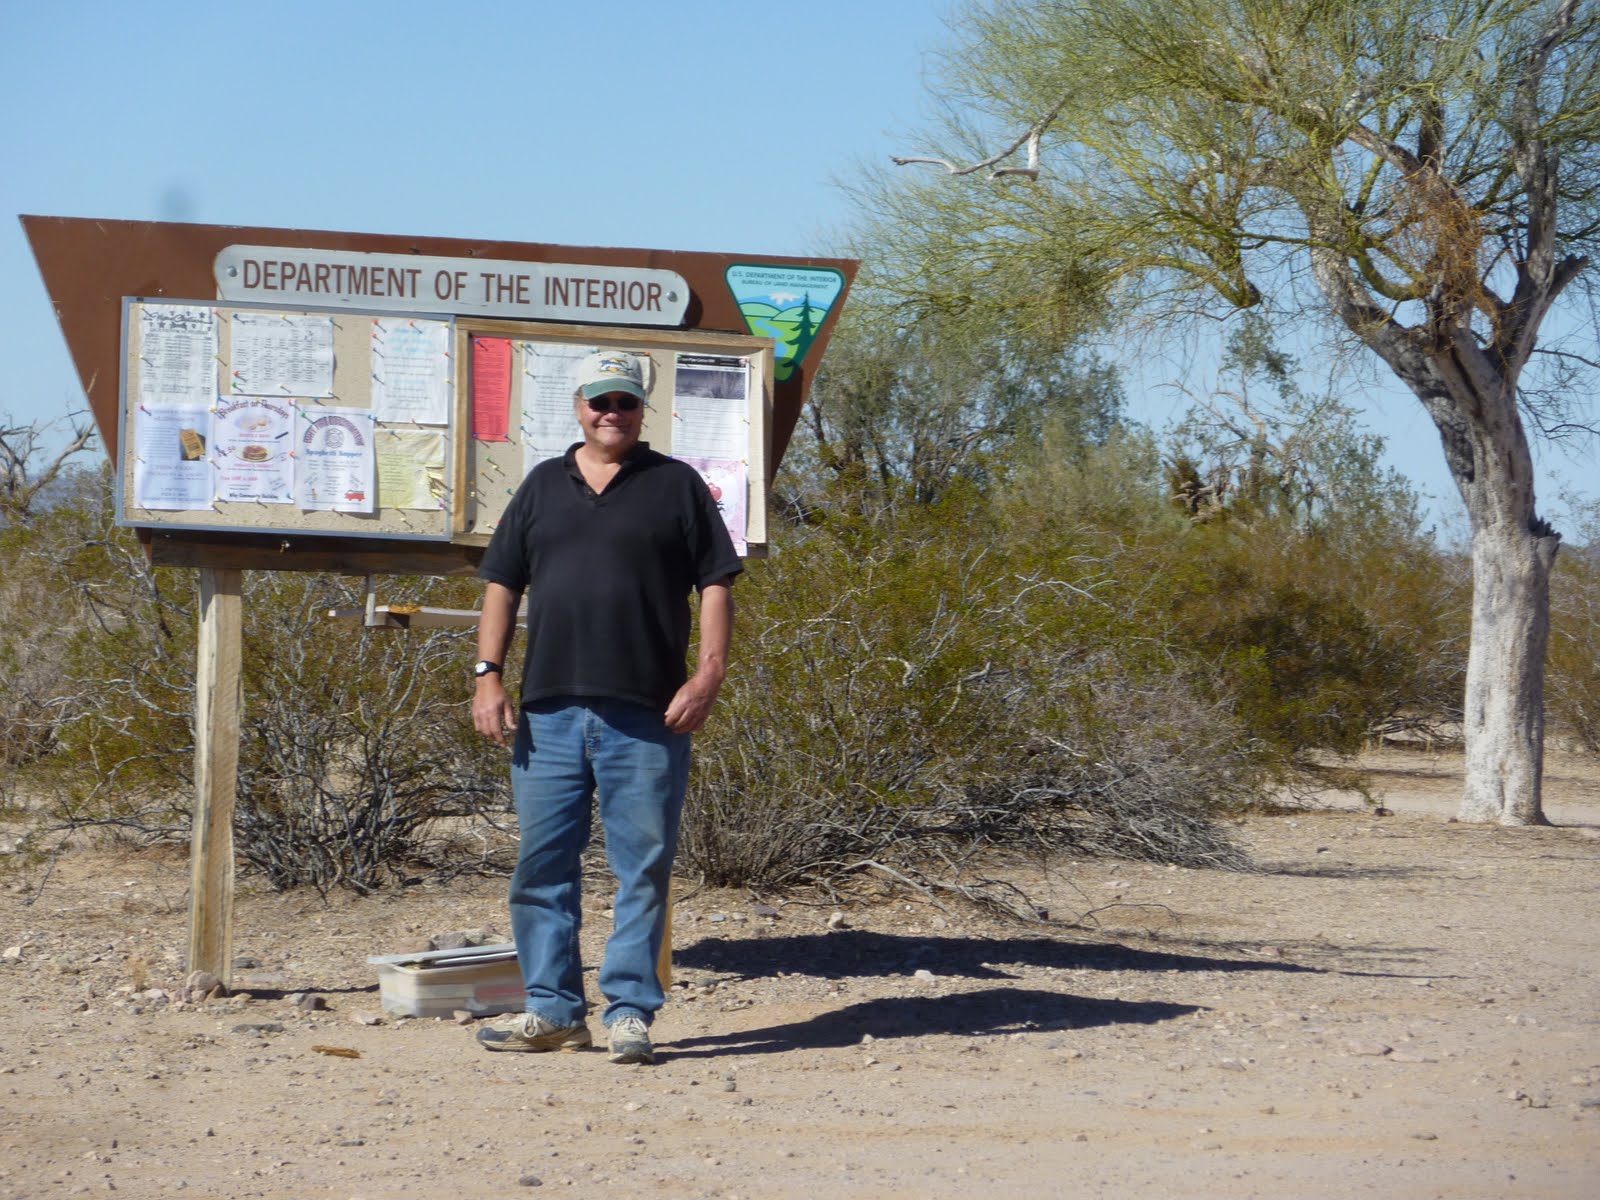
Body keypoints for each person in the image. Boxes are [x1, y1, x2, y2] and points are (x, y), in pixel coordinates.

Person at [470, 348, 740, 1065]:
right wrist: (487, 675)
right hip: (550, 712)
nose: (610, 414)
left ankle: (629, 1012)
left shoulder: (675, 486)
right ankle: (554, 1010)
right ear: (578, 406)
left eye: (623, 402)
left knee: (643, 867)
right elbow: (501, 582)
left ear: (641, 410)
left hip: (646, 715)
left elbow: (716, 583)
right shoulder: (540, 487)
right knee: (541, 868)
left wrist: (708, 674)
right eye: (599, 402)